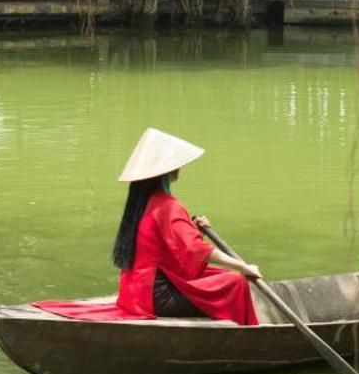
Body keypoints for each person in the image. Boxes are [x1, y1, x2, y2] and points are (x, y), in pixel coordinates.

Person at [111, 127, 261, 323]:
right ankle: (241, 337)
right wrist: (243, 266)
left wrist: (194, 231)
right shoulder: (167, 206)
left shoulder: (142, 203)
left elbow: (173, 246)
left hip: (134, 293)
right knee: (234, 281)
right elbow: (196, 250)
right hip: (155, 298)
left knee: (221, 273)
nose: (179, 167)